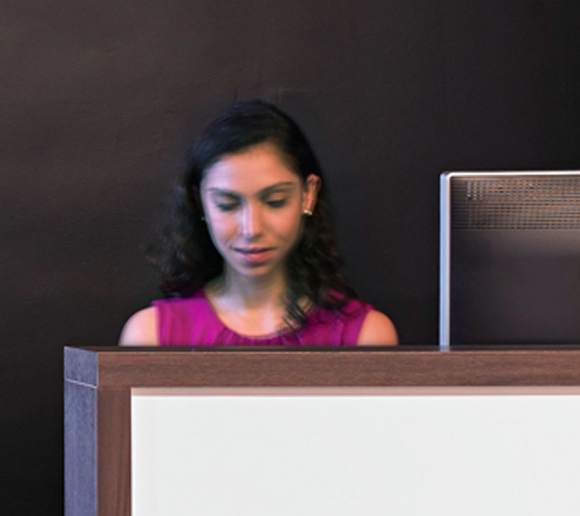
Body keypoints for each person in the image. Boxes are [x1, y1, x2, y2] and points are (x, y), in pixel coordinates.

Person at [120, 100, 399, 348]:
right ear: (199, 201)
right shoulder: (151, 336)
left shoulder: (365, 336)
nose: (252, 229)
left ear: (308, 194)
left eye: (275, 201)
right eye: (227, 205)